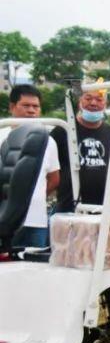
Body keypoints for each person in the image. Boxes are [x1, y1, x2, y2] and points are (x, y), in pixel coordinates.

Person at [1, 85, 60, 247]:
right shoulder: (1, 135)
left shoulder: (48, 141)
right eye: (26, 106)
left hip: (36, 221)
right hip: (4, 220)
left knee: (36, 269)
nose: (31, 111)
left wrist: (32, 196)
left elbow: (54, 178)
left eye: (36, 106)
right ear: (12, 107)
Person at [52, 86, 110, 213]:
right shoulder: (62, 130)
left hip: (102, 207)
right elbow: (49, 168)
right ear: (80, 101)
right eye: (88, 98)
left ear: (105, 104)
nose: (93, 103)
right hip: (68, 205)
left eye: (99, 99)